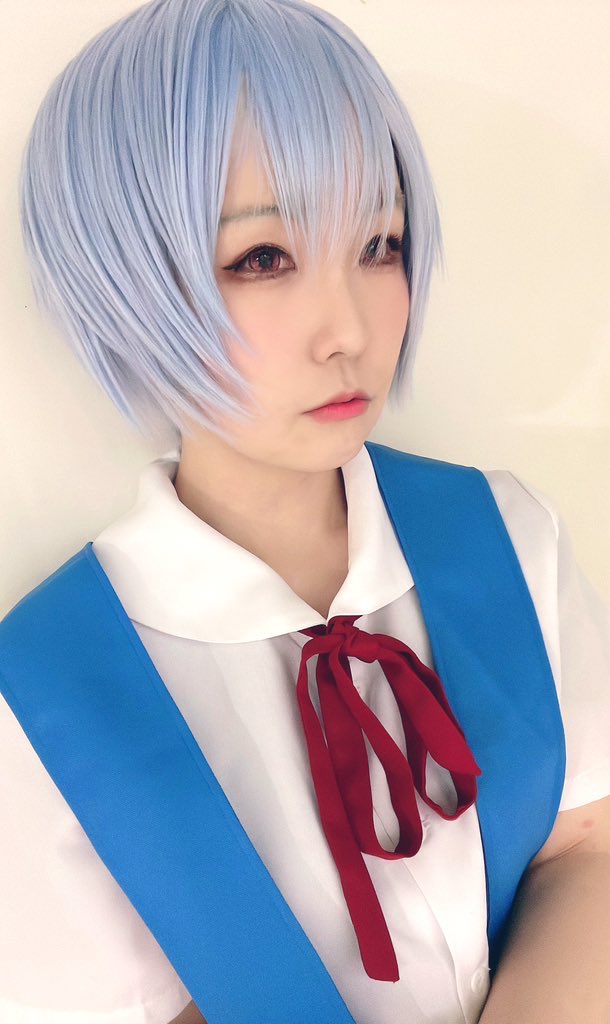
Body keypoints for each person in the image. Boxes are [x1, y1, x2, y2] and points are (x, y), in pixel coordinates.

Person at [1, 0, 608, 1022]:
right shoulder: (43, 696)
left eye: (379, 242)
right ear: (123, 279)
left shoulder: (502, 534)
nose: (349, 330)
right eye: (263, 259)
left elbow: (585, 845)